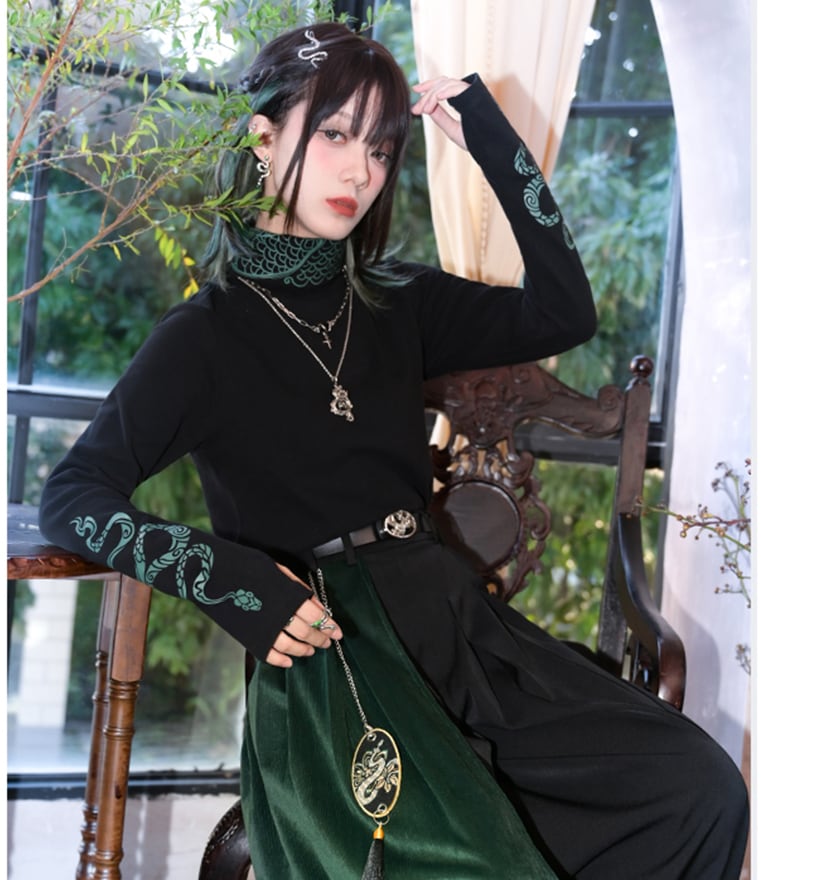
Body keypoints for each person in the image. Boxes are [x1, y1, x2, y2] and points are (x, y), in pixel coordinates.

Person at [39, 21, 749, 880]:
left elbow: (565, 313)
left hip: (459, 630)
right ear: (262, 137)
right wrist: (236, 581)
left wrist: (491, 142)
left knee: (700, 788)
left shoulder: (396, 300)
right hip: (335, 657)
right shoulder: (205, 336)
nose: (360, 172)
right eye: (335, 135)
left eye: (379, 148)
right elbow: (73, 497)